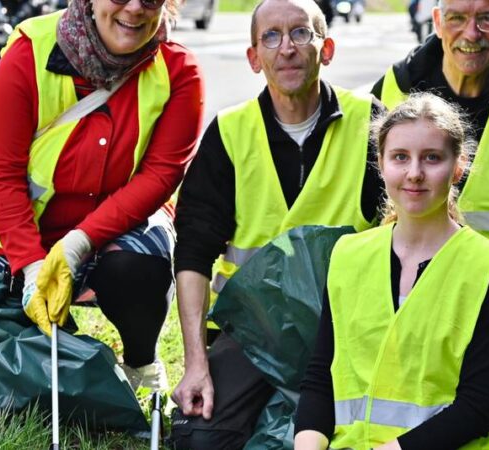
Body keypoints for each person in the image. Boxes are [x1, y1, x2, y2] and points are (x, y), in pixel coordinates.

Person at [169, 0, 384, 446]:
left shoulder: (370, 123)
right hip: (254, 332)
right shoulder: (230, 132)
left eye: (301, 33)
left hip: (349, 330)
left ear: (326, 49)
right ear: (254, 58)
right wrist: (196, 364)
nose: (286, 48)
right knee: (200, 439)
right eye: (271, 36)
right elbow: (193, 251)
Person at [0, 0, 203, 390]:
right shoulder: (29, 52)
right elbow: (0, 171)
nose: (135, 8)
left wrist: (78, 244)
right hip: (16, 234)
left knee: (140, 267)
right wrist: (30, 266)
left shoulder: (179, 70)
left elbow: (161, 175)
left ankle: (141, 364)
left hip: (111, 233)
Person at [294, 93, 489, 450]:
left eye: (432, 158)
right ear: (381, 164)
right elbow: (321, 378)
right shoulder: (348, 255)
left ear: (458, 167)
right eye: (400, 157)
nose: (414, 173)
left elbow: (479, 407)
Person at [371, 0, 489, 244]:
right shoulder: (389, 91)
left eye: (487, 19)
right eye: (456, 18)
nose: (472, 34)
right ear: (438, 22)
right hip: (402, 266)